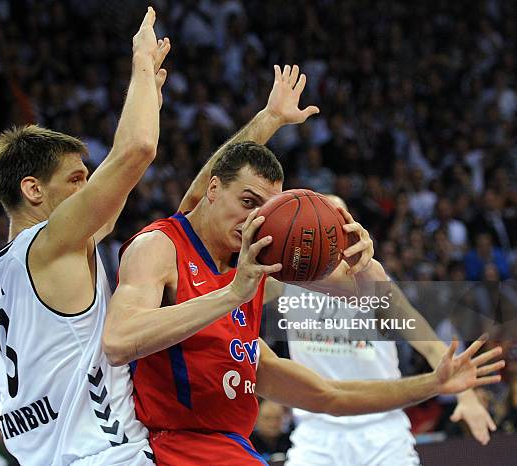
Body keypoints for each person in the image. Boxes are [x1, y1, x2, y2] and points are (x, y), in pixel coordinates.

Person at [106, 66, 504, 466]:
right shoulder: (250, 264)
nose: (253, 219)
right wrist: (269, 120)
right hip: (291, 433)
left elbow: (392, 313)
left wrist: (369, 270)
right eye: (248, 204)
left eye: (337, 229)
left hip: (374, 423)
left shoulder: (288, 271)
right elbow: (199, 204)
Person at [0, 7, 169, 465]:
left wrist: (150, 100)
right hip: (105, 455)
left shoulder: (1, 274)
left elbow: (116, 194)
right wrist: (141, 63)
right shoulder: (51, 245)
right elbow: (137, 150)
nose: (88, 190)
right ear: (33, 189)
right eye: (75, 179)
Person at [282, 195, 498, 466]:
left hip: (382, 430)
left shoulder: (374, 282)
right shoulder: (284, 280)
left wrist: (466, 397)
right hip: (316, 433)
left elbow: (431, 345)